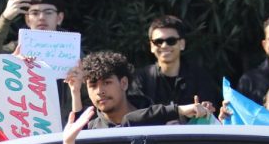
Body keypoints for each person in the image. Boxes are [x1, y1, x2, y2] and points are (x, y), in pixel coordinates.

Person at [72, 51, 213, 129]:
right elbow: (75, 133)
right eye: (93, 85)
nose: (99, 91)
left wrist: (197, 114)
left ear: (124, 83)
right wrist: (75, 91)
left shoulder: (162, 121)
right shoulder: (92, 129)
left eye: (107, 82)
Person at [133, 16, 219, 108]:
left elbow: (210, 113)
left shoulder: (199, 77)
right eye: (158, 42)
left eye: (171, 41)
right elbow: (137, 114)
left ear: (182, 44)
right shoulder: (141, 79)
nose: (164, 46)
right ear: (151, 46)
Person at [0, 0, 67, 56]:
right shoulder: (17, 48)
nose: (41, 17)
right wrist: (5, 19)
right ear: (27, 20)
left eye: (48, 12)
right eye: (35, 13)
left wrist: (80, 76)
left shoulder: (72, 51)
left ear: (59, 18)